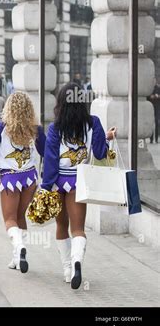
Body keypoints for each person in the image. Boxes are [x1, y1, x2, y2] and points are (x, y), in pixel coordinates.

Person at [41, 83, 116, 290]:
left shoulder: (55, 128)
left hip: (58, 183)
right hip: (79, 183)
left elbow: (50, 160)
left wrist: (46, 187)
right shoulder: (94, 123)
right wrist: (106, 138)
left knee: (60, 226)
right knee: (78, 229)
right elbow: (100, 154)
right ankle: (77, 263)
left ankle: (67, 269)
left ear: (61, 103)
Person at [0, 92, 45, 274]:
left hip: (9, 178)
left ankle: (20, 246)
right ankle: (17, 257)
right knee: (20, 216)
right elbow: (46, 150)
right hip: (30, 178)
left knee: (9, 219)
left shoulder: (2, 125)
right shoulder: (35, 128)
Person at [148, 78, 160, 144]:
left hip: (157, 107)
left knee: (157, 122)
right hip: (151, 107)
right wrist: (151, 96)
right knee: (151, 124)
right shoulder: (149, 89)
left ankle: (156, 139)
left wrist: (157, 96)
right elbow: (147, 97)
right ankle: (151, 139)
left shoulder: (158, 88)